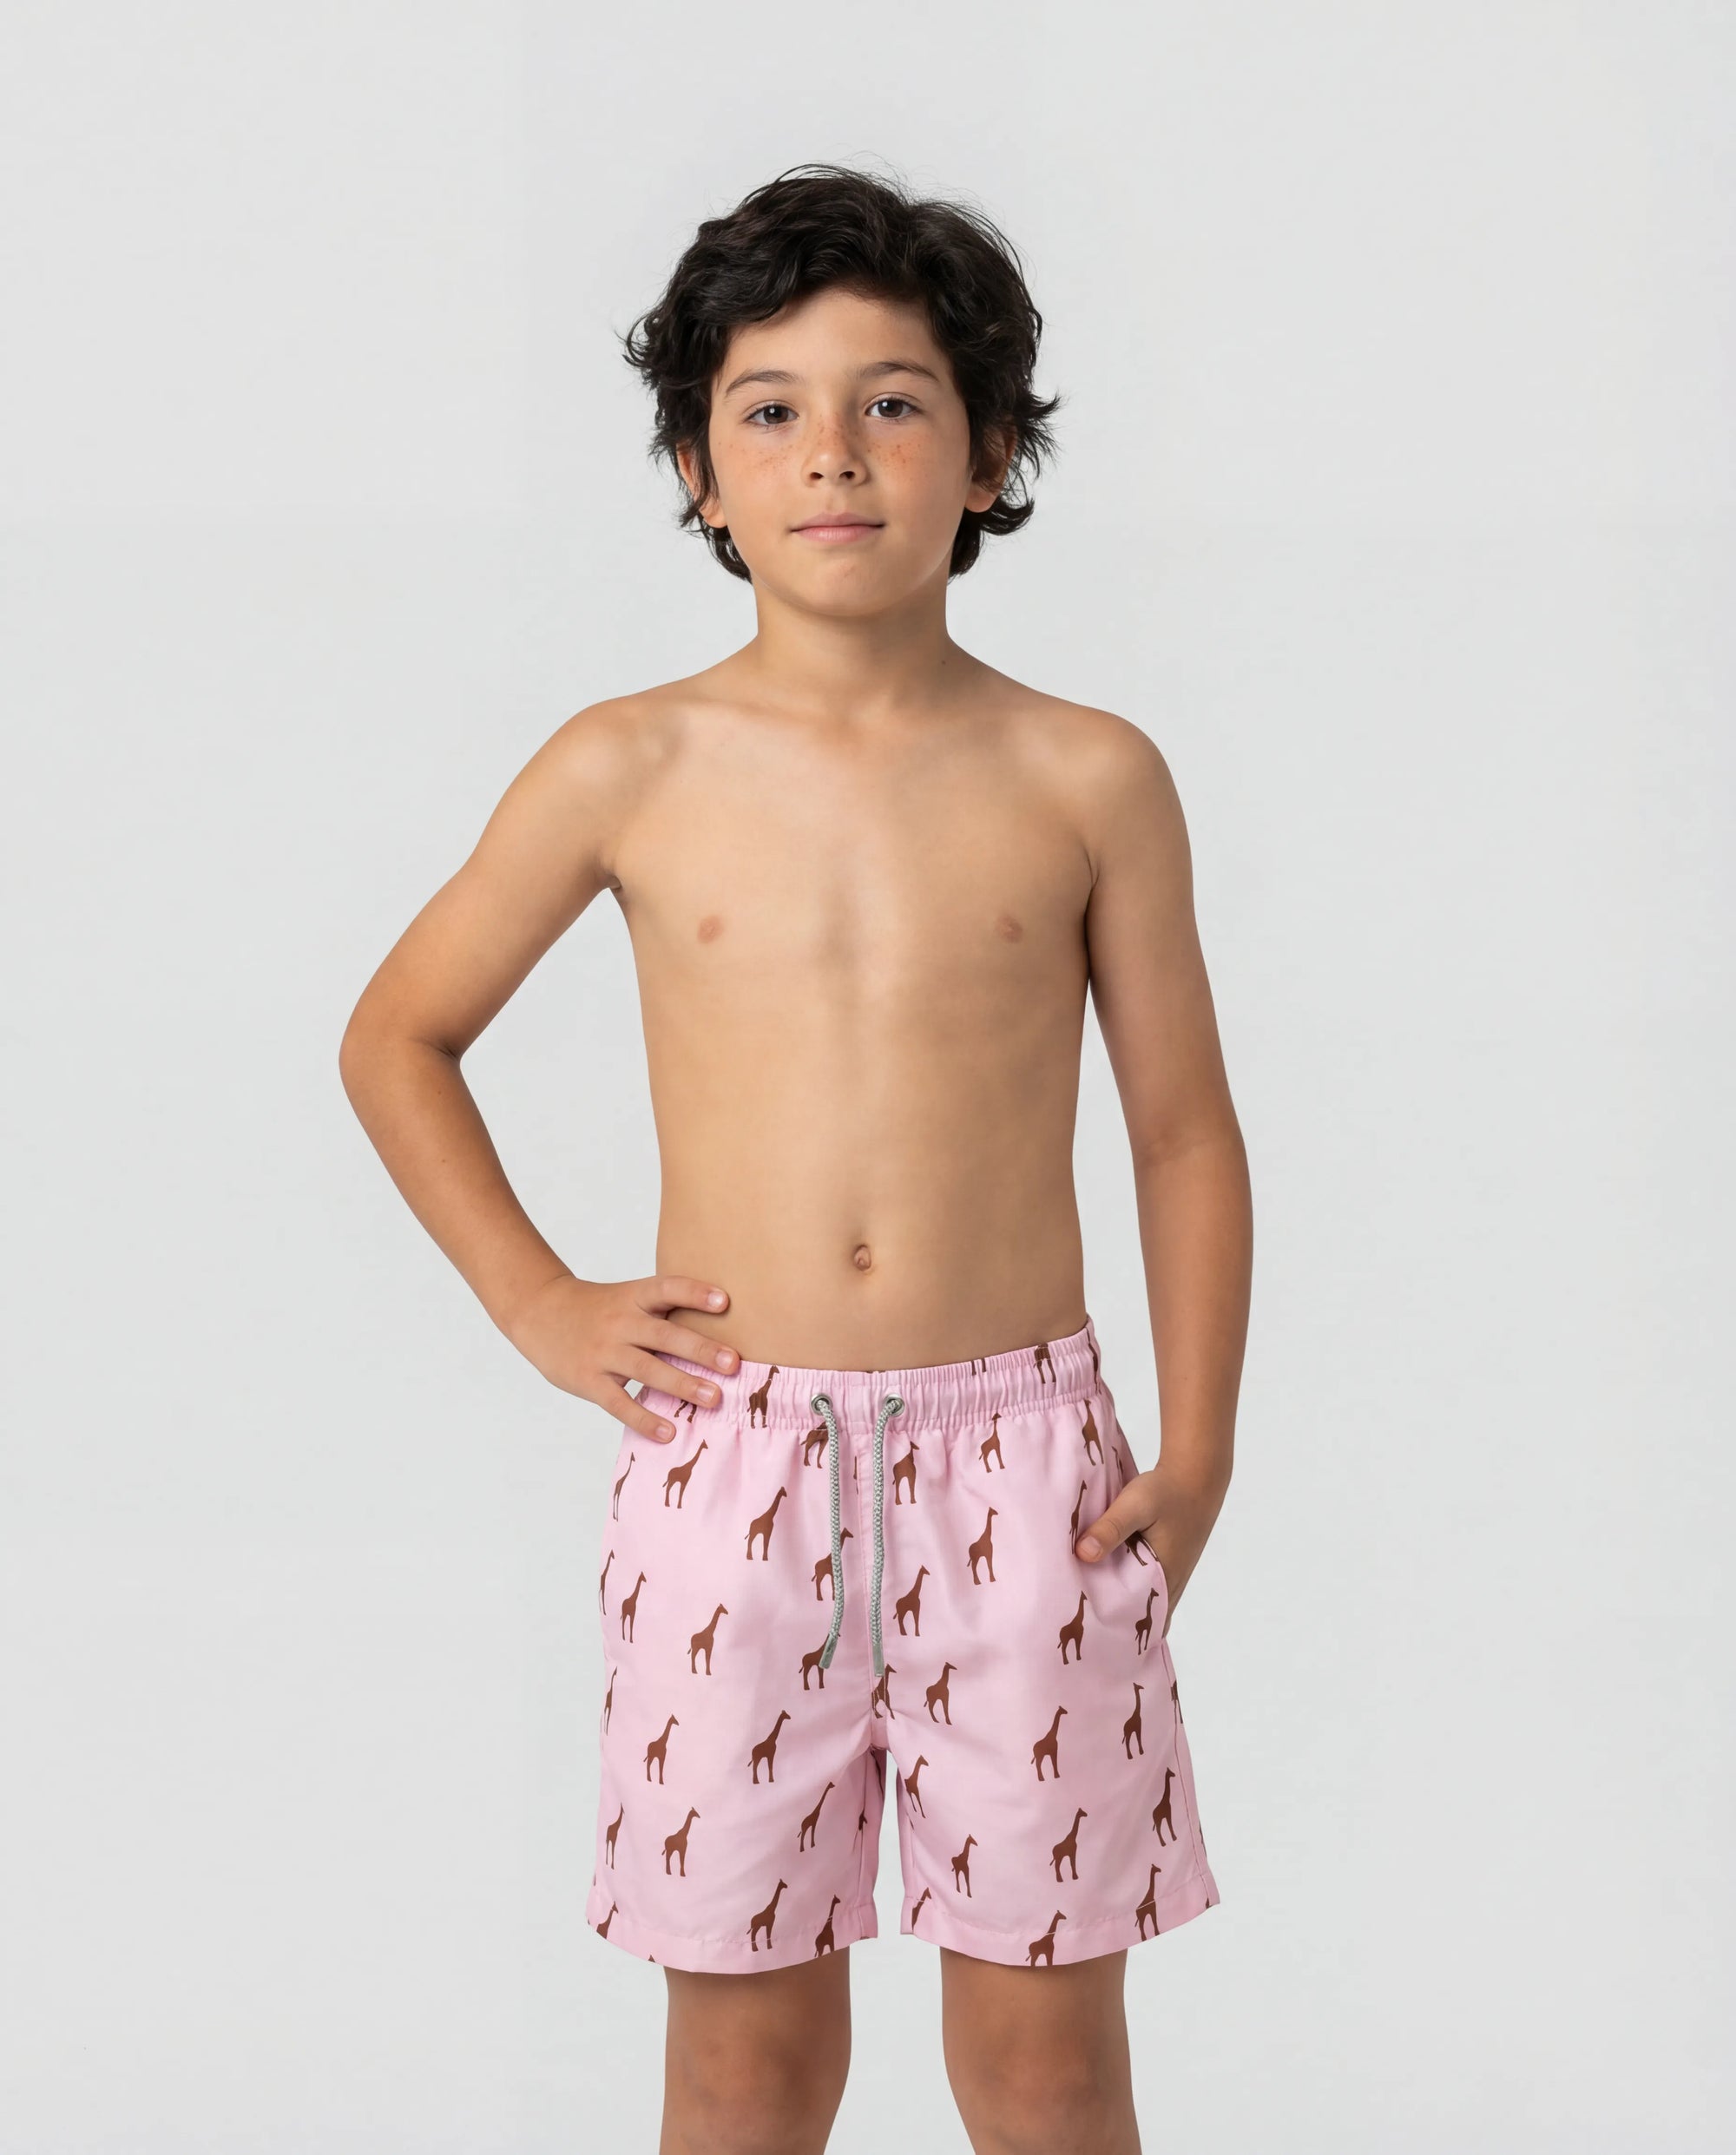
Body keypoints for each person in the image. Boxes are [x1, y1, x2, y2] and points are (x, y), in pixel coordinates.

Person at [339, 161, 1252, 2155]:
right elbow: (398, 1034)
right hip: (729, 1472)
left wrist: (1197, 1449)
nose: (831, 452)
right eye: (769, 409)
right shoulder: (628, 763)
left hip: (1026, 1476)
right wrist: (537, 1299)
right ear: (699, 471)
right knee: (743, 2065)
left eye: (892, 401)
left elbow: (1182, 1128)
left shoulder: (1087, 774)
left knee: (1048, 2066)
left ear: (989, 455)